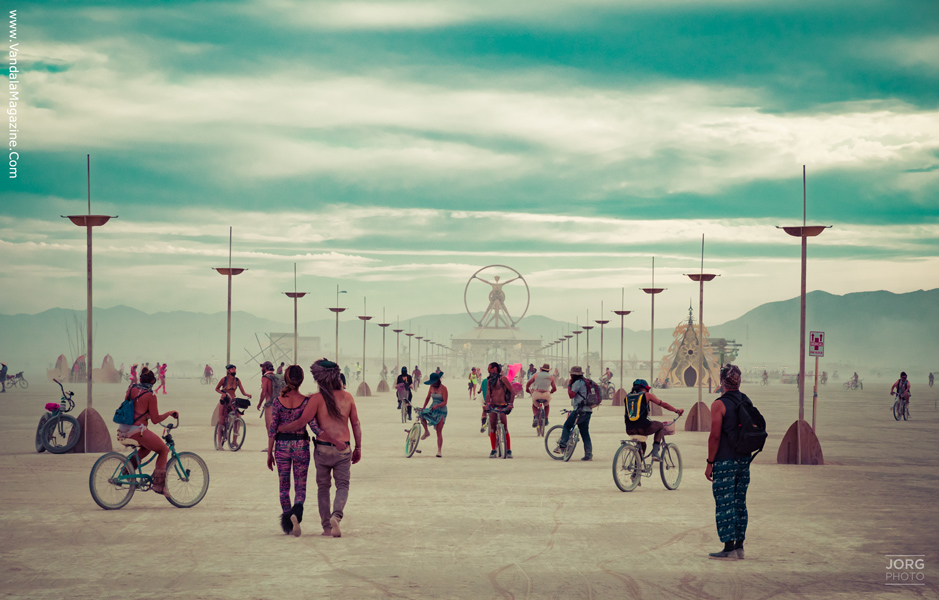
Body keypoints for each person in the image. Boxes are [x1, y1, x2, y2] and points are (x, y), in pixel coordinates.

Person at [278, 359, 362, 538]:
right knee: (343, 486)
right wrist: (358, 447)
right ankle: (336, 516)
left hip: (322, 450)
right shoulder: (348, 397)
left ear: (320, 379)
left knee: (323, 488)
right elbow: (355, 423)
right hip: (343, 449)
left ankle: (326, 527)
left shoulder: (316, 399)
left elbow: (302, 421)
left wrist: (282, 429)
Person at [267, 364, 329, 537]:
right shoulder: (306, 401)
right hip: (301, 446)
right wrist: (331, 439)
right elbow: (314, 427)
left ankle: (288, 522)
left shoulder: (278, 402)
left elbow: (272, 428)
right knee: (300, 486)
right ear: (301, 380)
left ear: (286, 379)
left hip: (281, 447)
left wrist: (269, 452)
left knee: (283, 486)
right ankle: (296, 514)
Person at [705, 364, 753, 560]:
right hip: (744, 460)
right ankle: (739, 547)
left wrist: (710, 463)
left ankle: (728, 548)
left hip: (725, 461)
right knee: (739, 502)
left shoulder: (719, 404)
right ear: (739, 381)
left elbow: (714, 437)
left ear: (722, 381)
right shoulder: (747, 401)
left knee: (725, 503)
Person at [116, 367, 178, 496]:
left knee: (148, 447)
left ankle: (128, 470)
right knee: (164, 450)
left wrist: (145, 414)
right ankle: (159, 486)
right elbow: (155, 420)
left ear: (140, 379)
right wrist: (168, 413)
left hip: (123, 429)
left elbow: (131, 408)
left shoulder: (131, 388)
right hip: (137, 430)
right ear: (153, 382)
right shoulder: (151, 395)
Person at [623, 379, 684, 461]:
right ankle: (655, 452)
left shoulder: (627, 397)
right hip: (643, 427)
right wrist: (677, 411)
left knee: (643, 445)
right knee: (660, 425)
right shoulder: (647, 395)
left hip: (629, 429)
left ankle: (636, 470)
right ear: (645, 388)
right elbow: (663, 404)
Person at [555, 366, 596, 461]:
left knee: (566, 426)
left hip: (579, 410)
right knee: (585, 432)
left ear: (573, 375)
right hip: (588, 410)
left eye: (571, 374)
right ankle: (588, 454)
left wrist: (569, 385)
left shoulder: (578, 383)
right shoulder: (586, 382)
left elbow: (571, 395)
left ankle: (562, 447)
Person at [214, 364, 252, 449]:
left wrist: (247, 394)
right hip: (224, 401)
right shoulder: (224, 379)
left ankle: (234, 441)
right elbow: (216, 389)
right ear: (228, 371)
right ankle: (219, 443)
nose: (234, 370)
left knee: (237, 419)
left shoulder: (237, 380)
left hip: (233, 401)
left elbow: (243, 392)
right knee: (221, 421)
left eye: (235, 369)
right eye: (232, 369)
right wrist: (224, 393)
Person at [483, 362, 515, 458]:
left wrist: (510, 404)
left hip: (502, 405)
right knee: (492, 427)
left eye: (490, 369)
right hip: (493, 406)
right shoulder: (489, 381)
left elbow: (512, 392)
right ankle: (493, 449)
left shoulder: (503, 379)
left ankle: (508, 450)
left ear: (495, 369)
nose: (489, 371)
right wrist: (487, 404)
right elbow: (488, 394)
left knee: (505, 428)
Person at [419, 371, 448, 458]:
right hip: (432, 407)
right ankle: (426, 432)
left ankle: (439, 451)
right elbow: (428, 397)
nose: (433, 384)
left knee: (439, 432)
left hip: (441, 410)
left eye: (434, 382)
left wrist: (437, 405)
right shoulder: (431, 387)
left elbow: (445, 402)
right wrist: (423, 407)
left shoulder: (444, 388)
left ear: (438, 380)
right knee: (421, 415)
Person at [526, 363, 556, 428]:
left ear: (542, 369)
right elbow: (554, 388)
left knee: (534, 405)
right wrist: (551, 392)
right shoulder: (551, 377)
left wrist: (527, 390)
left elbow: (528, 384)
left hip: (536, 394)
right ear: (548, 370)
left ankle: (535, 417)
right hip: (546, 395)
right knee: (547, 405)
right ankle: (546, 419)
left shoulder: (536, 375)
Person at [258, 361, 280, 434]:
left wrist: (259, 403)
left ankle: (272, 445)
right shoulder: (276, 377)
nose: (261, 369)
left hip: (270, 405)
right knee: (277, 427)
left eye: (262, 367)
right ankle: (276, 445)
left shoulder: (265, 377)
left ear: (265, 368)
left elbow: (264, 392)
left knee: (269, 427)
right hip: (278, 404)